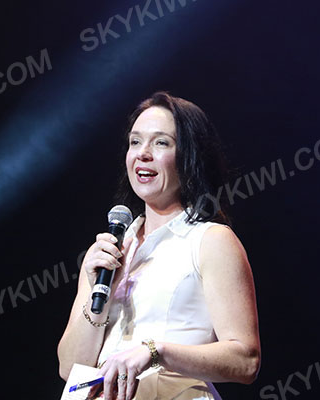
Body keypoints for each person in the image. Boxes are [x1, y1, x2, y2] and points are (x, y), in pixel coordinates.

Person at [58, 91, 260, 400]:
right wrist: (98, 296)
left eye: (161, 143)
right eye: (135, 142)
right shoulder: (108, 252)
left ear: (189, 157)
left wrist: (155, 352)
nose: (143, 153)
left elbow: (245, 360)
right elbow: (69, 367)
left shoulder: (209, 240)